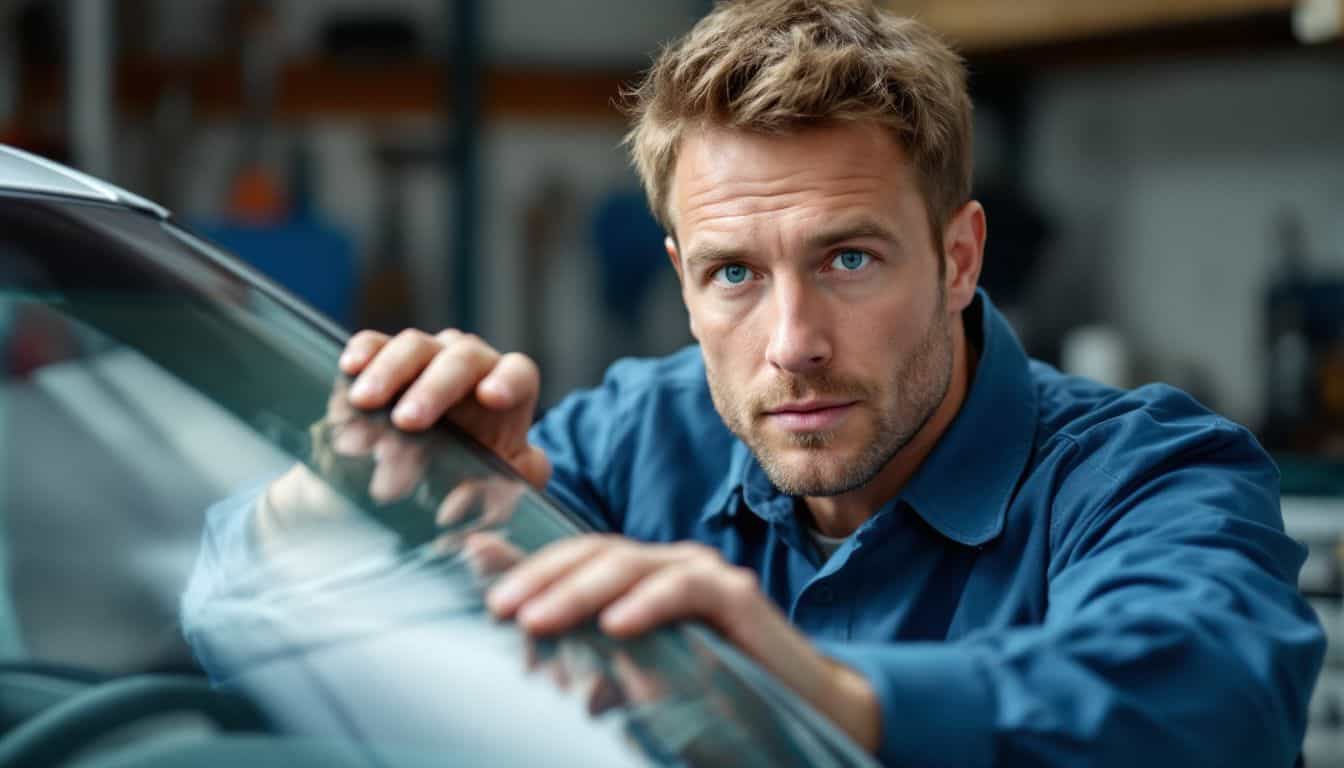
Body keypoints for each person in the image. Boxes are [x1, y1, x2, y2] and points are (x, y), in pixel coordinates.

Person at [276, 1, 1325, 765]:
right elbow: (243, 617)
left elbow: (1209, 700)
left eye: (849, 260)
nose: (792, 343)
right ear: (683, 282)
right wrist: (350, 498)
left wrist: (816, 694)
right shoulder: (627, 444)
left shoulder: (1152, 473)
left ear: (959, 259)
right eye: (734, 273)